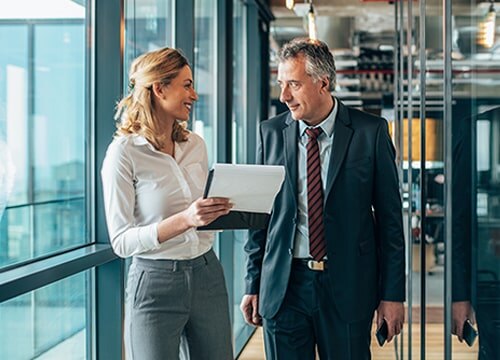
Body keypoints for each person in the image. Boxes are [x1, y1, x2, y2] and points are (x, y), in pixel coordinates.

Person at [240, 38, 405, 359]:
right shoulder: (270, 133)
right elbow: (260, 220)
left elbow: (391, 223)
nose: (283, 96)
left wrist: (392, 295)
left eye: (293, 85)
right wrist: (253, 282)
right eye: (280, 84)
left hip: (347, 285)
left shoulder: (370, 132)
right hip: (284, 287)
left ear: (323, 83)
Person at [101, 47, 233, 360]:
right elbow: (121, 242)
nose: (195, 95)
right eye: (186, 85)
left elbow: (201, 212)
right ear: (159, 88)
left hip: (207, 273)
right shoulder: (124, 154)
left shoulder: (195, 145)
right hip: (155, 282)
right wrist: (185, 219)